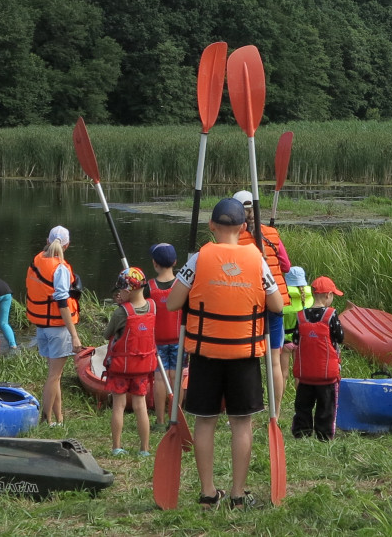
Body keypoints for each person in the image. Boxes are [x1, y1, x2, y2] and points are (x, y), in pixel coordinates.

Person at [166, 198, 283, 509]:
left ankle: (207, 493)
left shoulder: (197, 259)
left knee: (205, 422)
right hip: (244, 355)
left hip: (206, 354)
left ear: (212, 226)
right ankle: (237, 494)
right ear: (243, 227)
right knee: (241, 423)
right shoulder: (256, 259)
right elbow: (277, 305)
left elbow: (172, 303)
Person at [234, 189, 292, 415]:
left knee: (246, 359)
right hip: (275, 303)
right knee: (274, 361)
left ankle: (245, 408)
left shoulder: (235, 238)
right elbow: (286, 267)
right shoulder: (272, 234)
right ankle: (275, 413)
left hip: (250, 306)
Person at [25, 226, 83, 427]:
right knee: (54, 376)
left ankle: (59, 419)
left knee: (54, 376)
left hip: (42, 326)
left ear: (48, 241)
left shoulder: (38, 259)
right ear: (67, 245)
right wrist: (74, 335)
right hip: (58, 328)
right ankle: (45, 419)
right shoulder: (60, 268)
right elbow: (62, 302)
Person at [104, 266, 155, 456]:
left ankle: (117, 446)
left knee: (119, 405)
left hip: (121, 369)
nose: (118, 294)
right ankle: (145, 449)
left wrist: (120, 307)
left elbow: (107, 334)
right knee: (140, 406)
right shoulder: (153, 306)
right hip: (142, 368)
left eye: (120, 291)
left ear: (127, 291)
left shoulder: (120, 313)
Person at [289, 275, 344, 441]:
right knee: (327, 406)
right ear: (328, 295)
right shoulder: (331, 315)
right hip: (326, 375)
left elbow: (296, 340)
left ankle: (301, 432)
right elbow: (340, 337)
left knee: (303, 406)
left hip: (305, 375)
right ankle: (324, 434)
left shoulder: (301, 316)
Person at [147, 242, 179, 427]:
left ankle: (159, 420)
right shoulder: (181, 286)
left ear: (155, 263)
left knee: (160, 378)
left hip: (157, 341)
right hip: (178, 340)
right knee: (177, 378)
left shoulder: (149, 288)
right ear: (175, 261)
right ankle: (174, 417)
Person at [279, 265, 313, 399]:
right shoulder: (309, 299)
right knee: (300, 374)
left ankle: (277, 405)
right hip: (301, 342)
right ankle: (301, 402)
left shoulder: (281, 298)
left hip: (284, 341)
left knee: (282, 373)